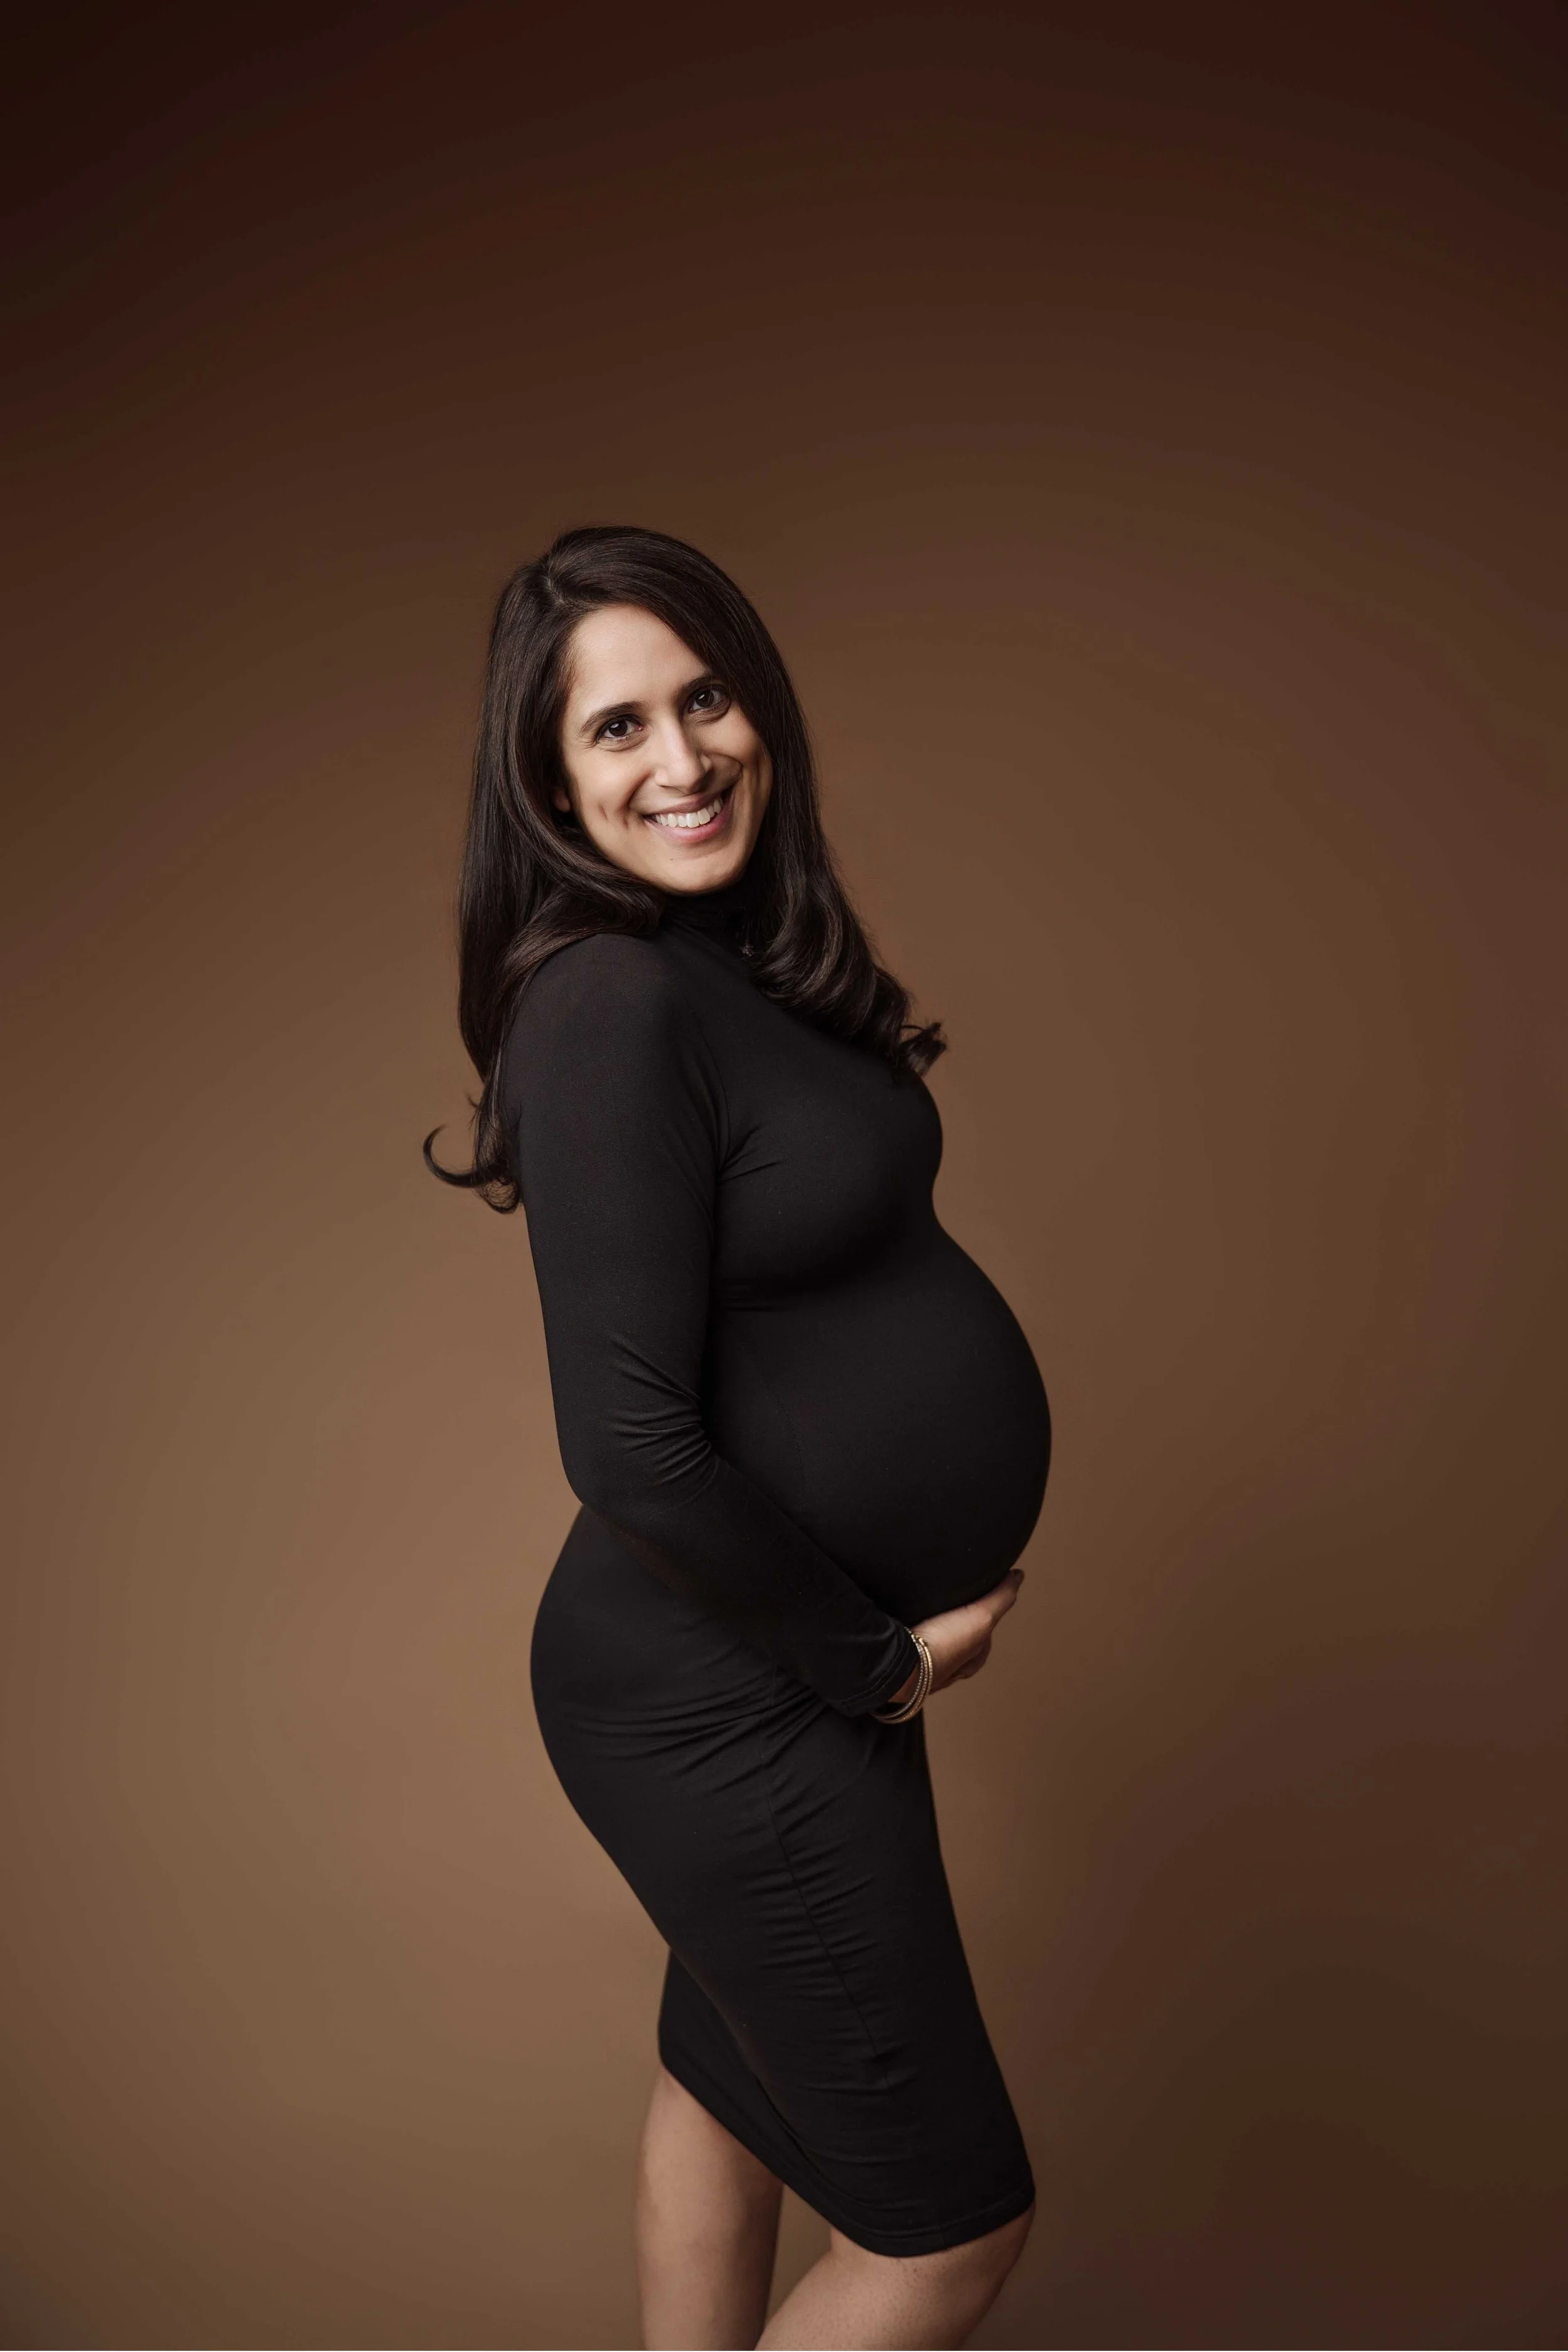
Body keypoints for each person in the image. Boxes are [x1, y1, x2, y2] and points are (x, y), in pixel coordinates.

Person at [427, 526, 1052, 2350]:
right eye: (612, 729)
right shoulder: (608, 1001)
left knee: (729, 2076)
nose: (678, 758)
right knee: (948, 2229)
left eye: (701, 699)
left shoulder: (723, 966)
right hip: (726, 1689)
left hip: (756, 1670)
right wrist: (866, 1666)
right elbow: (625, 1443)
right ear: (545, 781)